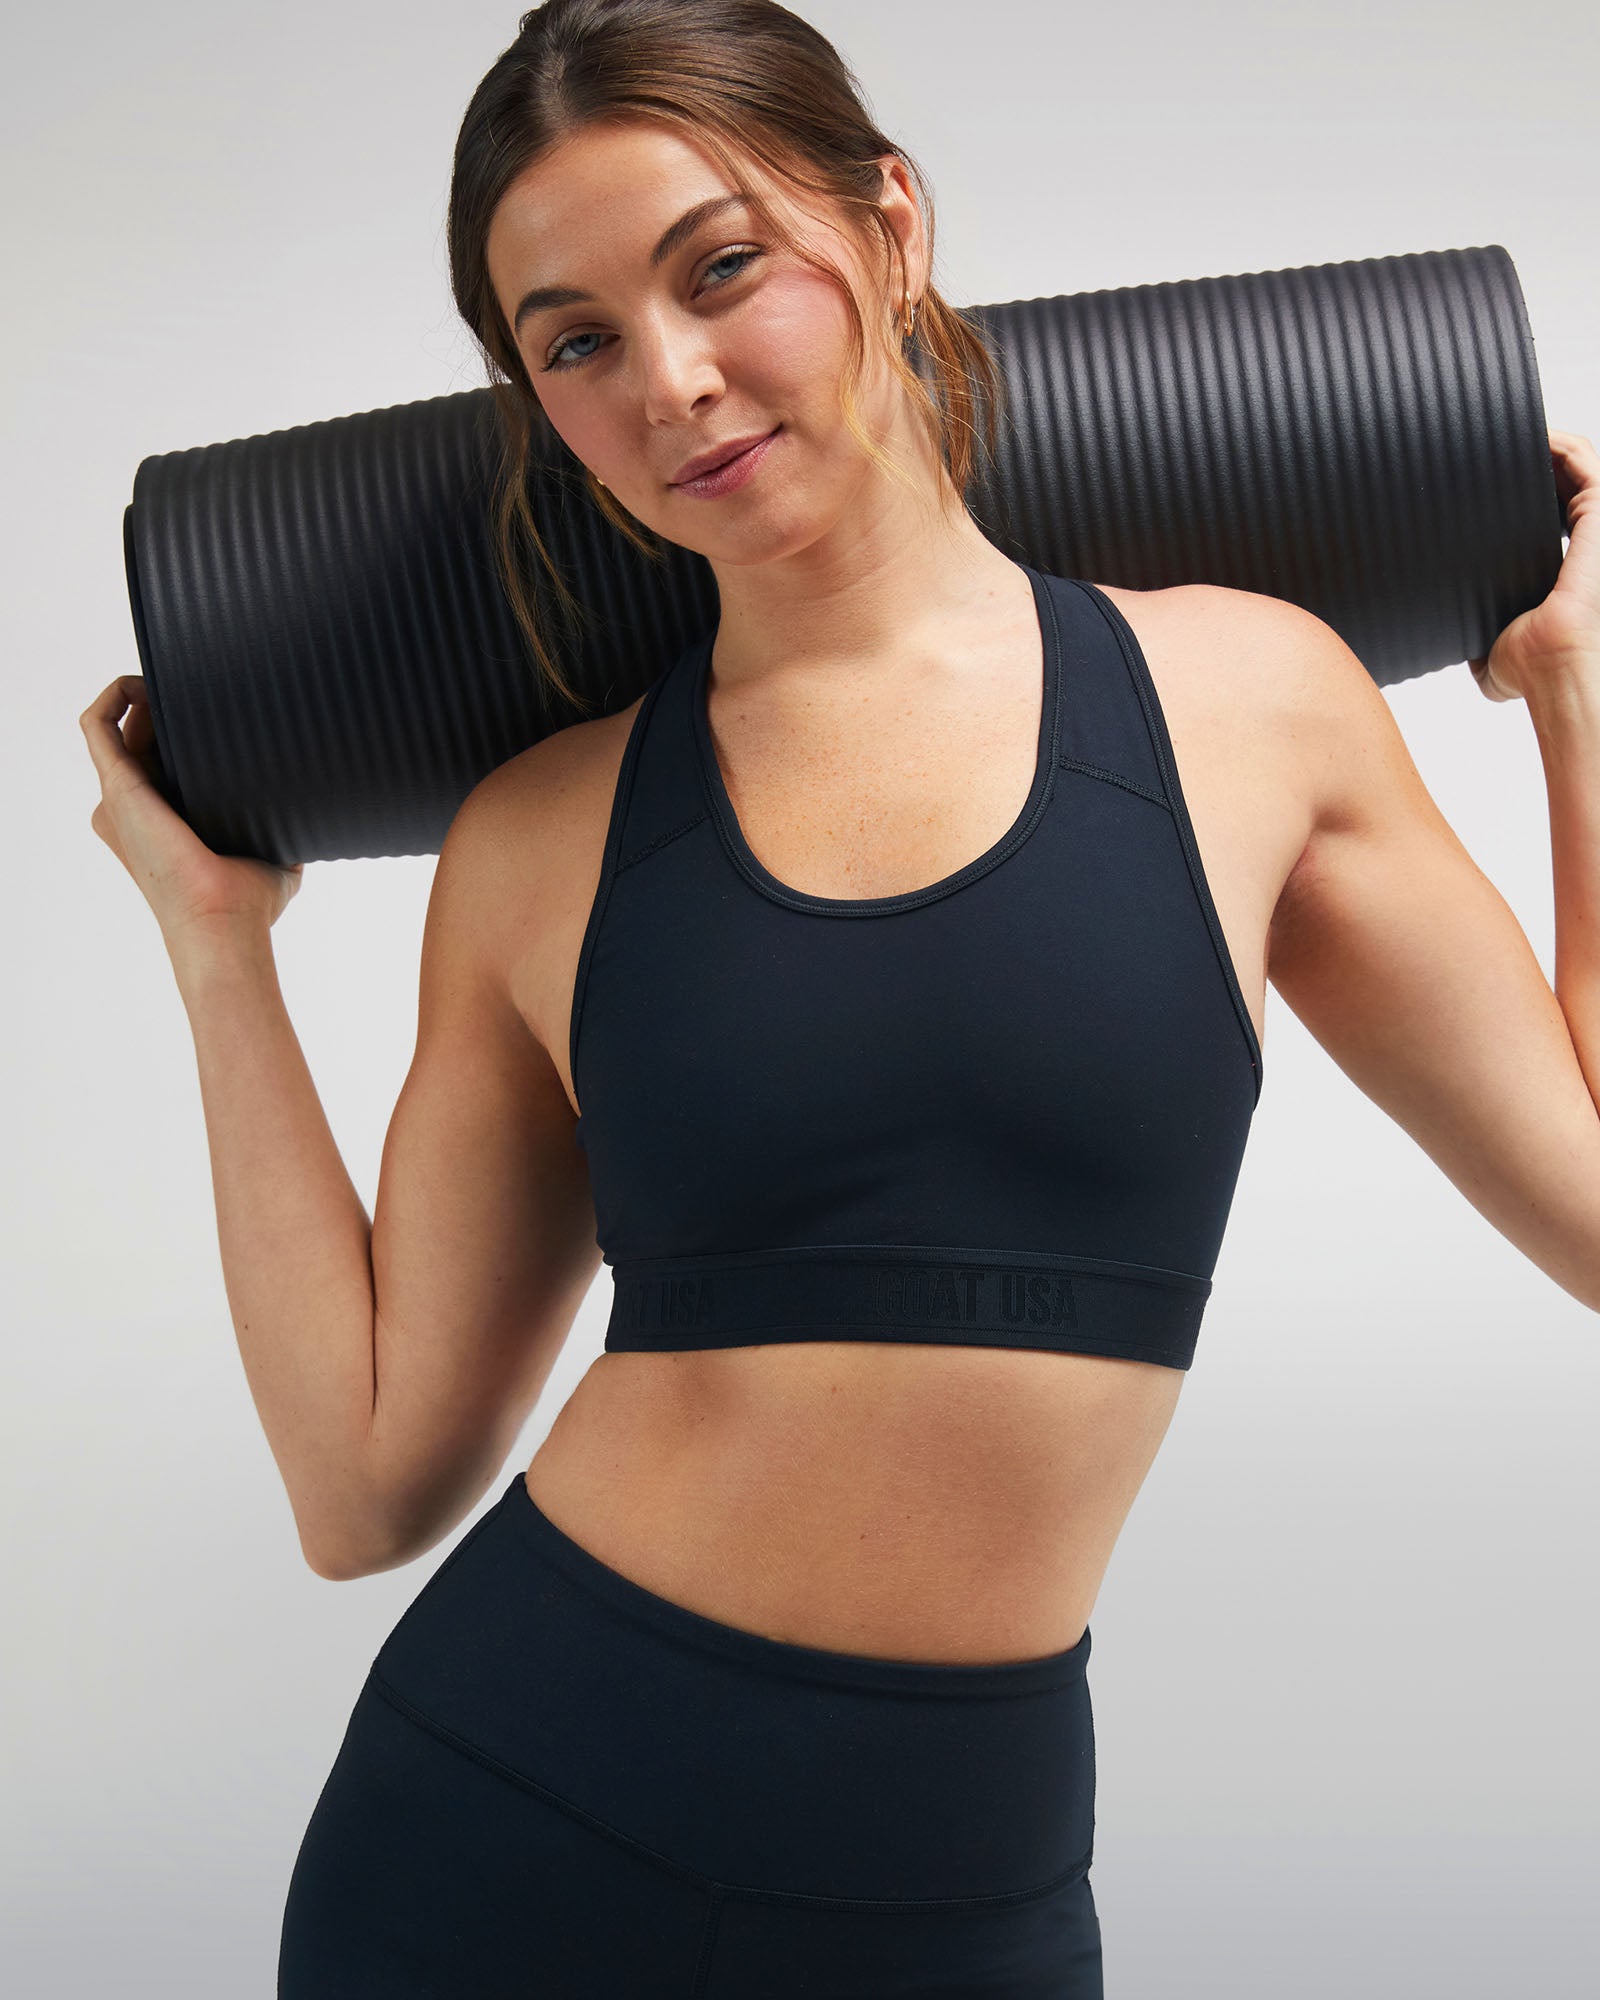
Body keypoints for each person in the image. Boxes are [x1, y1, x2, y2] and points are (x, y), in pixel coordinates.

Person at [79, 2, 1600, 1994]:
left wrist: (1571, 708)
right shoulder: (539, 840)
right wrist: (219, 947)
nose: (672, 382)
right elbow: (365, 1485)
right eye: (577, 342)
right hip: (513, 1829)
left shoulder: (1244, 703)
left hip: (956, 1887)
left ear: (887, 224)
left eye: (720, 269)